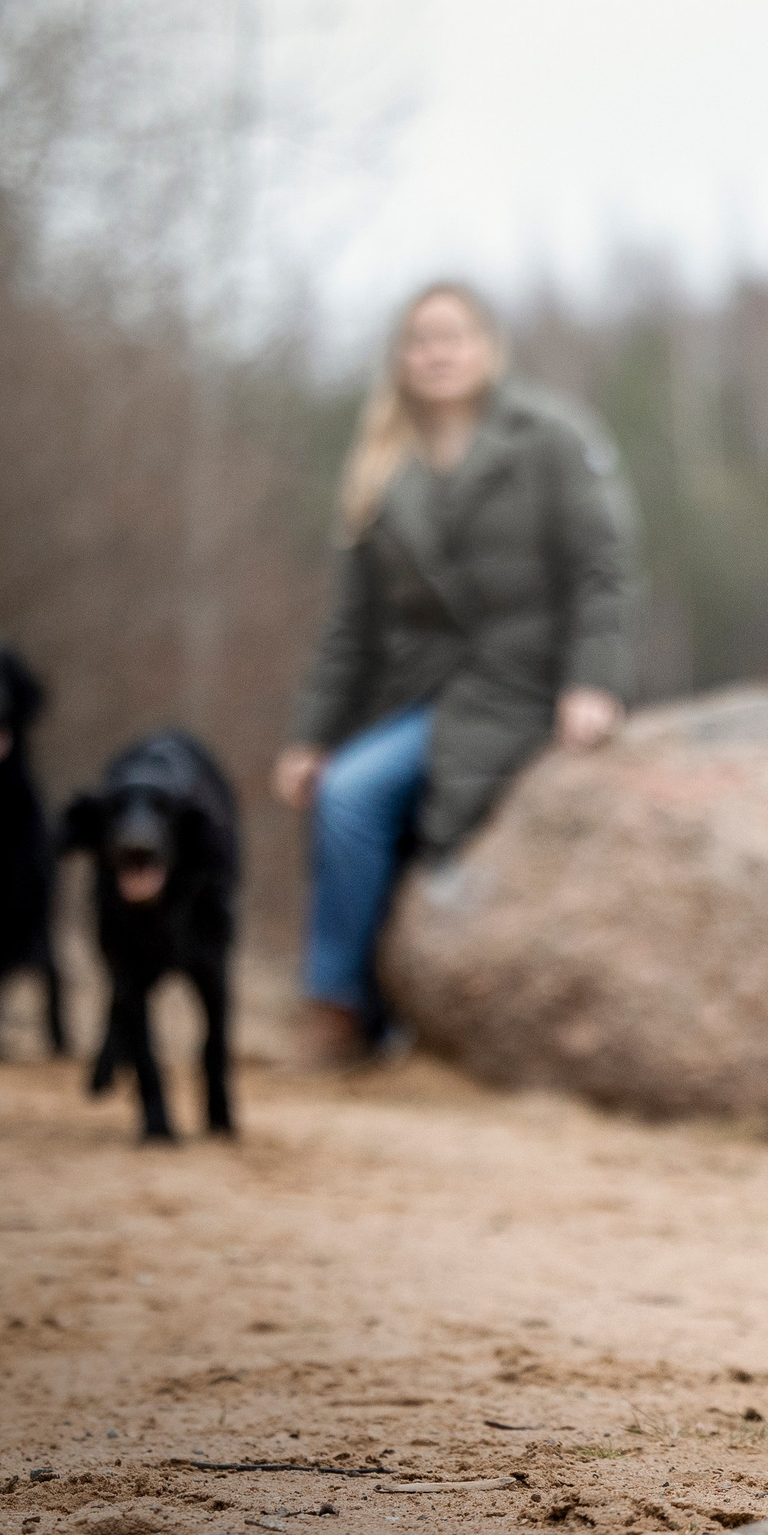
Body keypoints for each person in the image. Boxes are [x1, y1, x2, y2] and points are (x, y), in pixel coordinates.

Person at [274, 281, 636, 1064]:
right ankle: (338, 1006)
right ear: (401, 358)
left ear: (486, 346)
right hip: (418, 696)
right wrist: (310, 736)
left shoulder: (551, 437)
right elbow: (351, 628)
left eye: (452, 335)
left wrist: (592, 683)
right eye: (420, 339)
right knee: (346, 793)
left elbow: (600, 571)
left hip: (528, 686)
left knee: (439, 812)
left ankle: (407, 1015)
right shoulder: (380, 465)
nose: (437, 353)